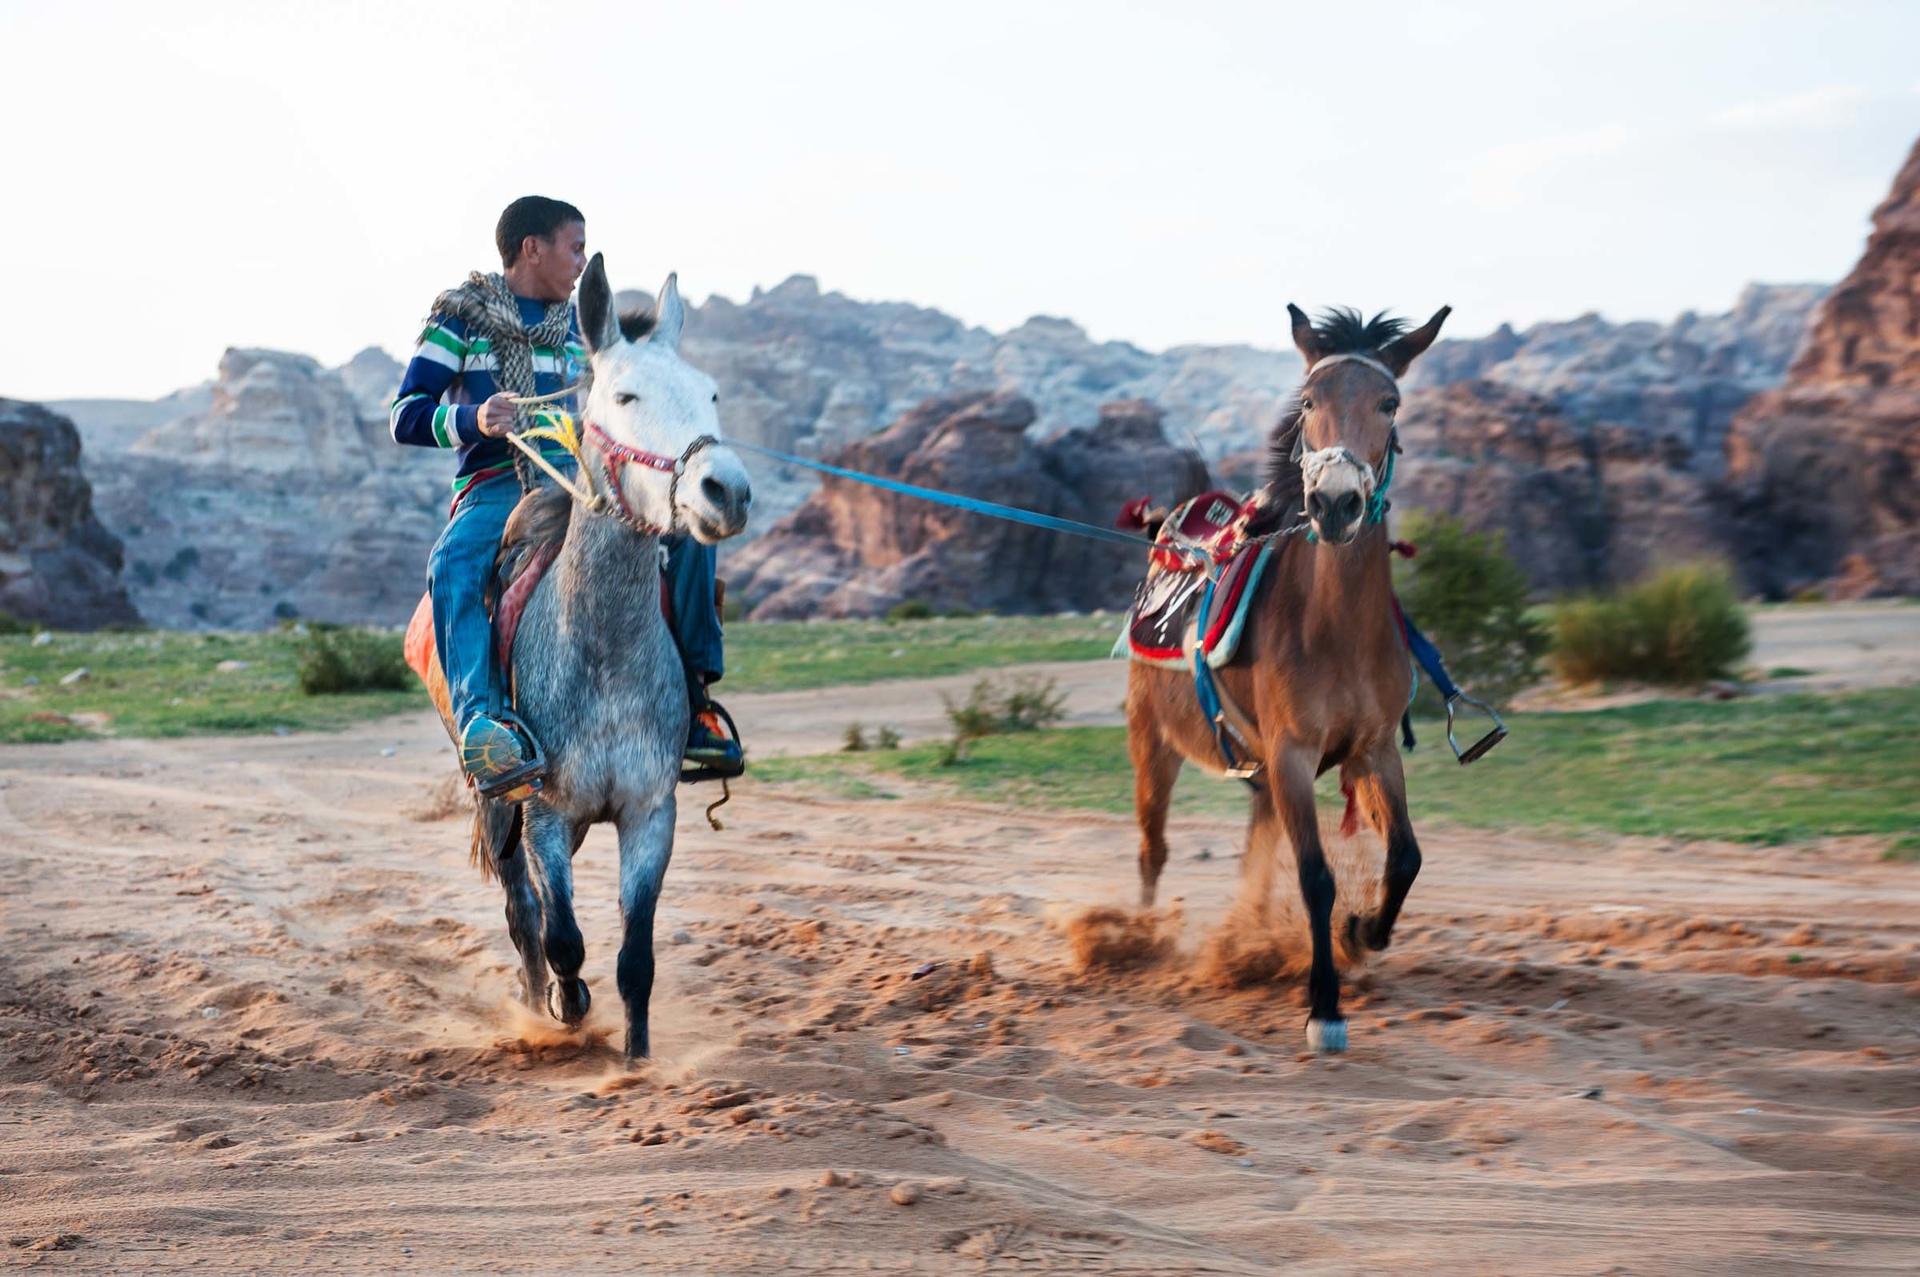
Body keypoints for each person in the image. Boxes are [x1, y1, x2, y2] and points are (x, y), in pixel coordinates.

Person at [390, 195, 743, 792]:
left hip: (580, 475)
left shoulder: (583, 334)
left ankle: (696, 704)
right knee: (452, 562)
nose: (581, 262)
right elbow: (405, 415)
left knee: (687, 529)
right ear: (533, 249)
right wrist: (475, 419)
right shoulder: (457, 320)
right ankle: (483, 725)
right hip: (497, 482)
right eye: (575, 248)